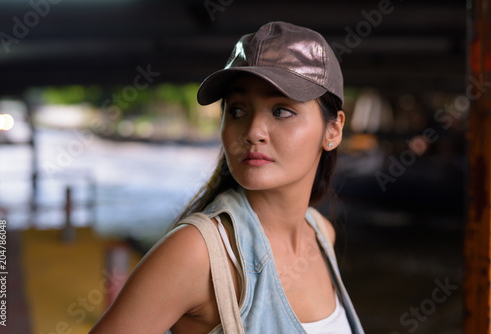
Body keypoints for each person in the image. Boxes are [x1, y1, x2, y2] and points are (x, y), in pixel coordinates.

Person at [90, 21, 364, 334]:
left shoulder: (321, 234)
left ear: (333, 130)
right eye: (237, 110)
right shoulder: (198, 253)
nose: (253, 132)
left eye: (281, 111)